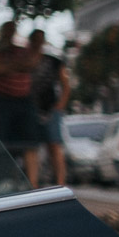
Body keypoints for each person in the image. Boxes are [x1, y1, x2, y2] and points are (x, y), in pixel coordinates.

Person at [0, 21, 41, 186]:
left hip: (23, 100)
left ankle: (33, 184)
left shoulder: (21, 50)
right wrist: (16, 66)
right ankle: (1, 181)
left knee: (29, 142)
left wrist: (10, 66)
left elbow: (31, 63)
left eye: (12, 30)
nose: (10, 33)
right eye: (7, 29)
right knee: (0, 142)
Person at [28, 29, 71, 186]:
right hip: (31, 108)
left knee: (54, 145)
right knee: (31, 147)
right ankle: (33, 184)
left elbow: (65, 83)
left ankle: (60, 183)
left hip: (50, 108)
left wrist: (60, 105)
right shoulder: (26, 60)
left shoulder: (52, 60)